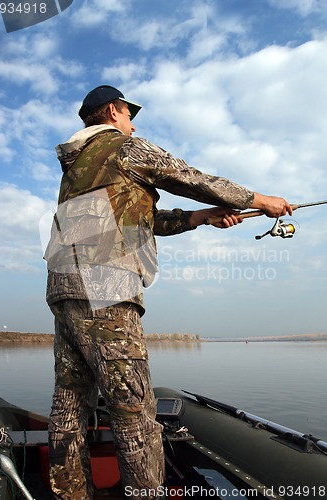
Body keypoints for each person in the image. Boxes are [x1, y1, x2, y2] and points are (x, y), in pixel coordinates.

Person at [45, 85, 292, 499]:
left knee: (69, 404)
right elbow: (188, 176)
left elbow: (141, 219)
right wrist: (259, 199)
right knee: (134, 413)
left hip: (65, 291)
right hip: (107, 291)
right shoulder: (126, 148)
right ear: (111, 111)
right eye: (127, 114)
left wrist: (201, 217)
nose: (132, 123)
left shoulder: (78, 166)